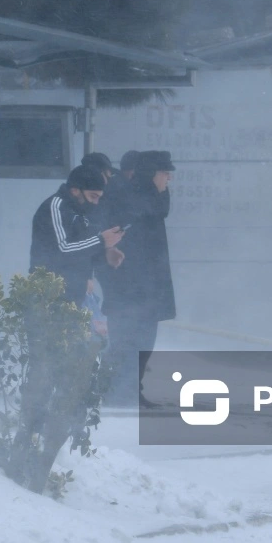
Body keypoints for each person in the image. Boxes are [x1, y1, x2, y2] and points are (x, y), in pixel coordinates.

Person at [100, 150, 175, 407]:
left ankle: (129, 391)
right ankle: (118, 394)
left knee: (142, 343)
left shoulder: (152, 202)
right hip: (131, 291)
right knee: (127, 343)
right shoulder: (131, 201)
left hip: (146, 291)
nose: (169, 179)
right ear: (151, 174)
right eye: (165, 173)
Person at [29, 165, 125, 304]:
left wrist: (104, 256)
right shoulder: (56, 206)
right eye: (93, 196)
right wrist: (101, 241)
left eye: (99, 198)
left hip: (74, 292)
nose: (95, 203)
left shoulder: (80, 211)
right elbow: (62, 249)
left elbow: (81, 248)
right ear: (75, 191)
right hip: (49, 292)